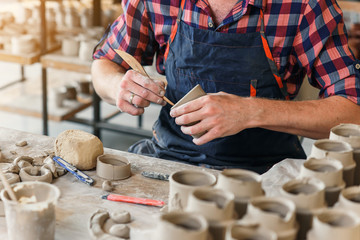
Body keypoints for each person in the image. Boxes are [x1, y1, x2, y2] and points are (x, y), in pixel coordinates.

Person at [92, 0, 360, 173]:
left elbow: (353, 112)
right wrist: (118, 85)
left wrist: (250, 111)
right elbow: (104, 64)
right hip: (168, 157)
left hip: (263, 171)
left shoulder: (305, 6)